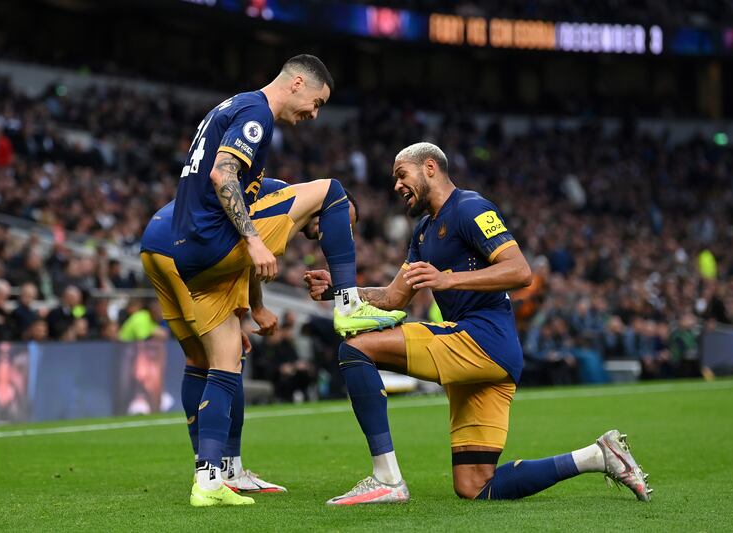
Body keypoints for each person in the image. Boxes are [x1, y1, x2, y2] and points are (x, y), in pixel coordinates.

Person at [304, 142, 652, 505]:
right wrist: (340, 290)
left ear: (430, 168)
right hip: (488, 359)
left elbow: (520, 271)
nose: (396, 186)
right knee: (474, 485)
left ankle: (387, 479)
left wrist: (447, 280)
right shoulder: (424, 231)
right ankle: (598, 455)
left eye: (401, 175)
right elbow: (394, 298)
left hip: (483, 339)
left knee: (356, 347)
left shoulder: (471, 208)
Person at [169, 54, 404, 507]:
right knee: (333, 190)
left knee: (224, 364)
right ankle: (350, 301)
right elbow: (222, 174)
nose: (314, 114)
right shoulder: (257, 112)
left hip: (189, 257)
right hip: (214, 240)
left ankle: (209, 481)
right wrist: (254, 241)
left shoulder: (228, 107)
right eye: (316, 102)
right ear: (297, 83)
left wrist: (254, 301)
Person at [142, 174, 362, 502]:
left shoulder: (273, 194)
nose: (338, 231)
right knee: (227, 358)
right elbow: (248, 244)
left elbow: (241, 249)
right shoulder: (288, 201)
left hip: (155, 241)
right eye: (343, 222)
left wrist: (254, 309)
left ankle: (212, 466)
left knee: (199, 359)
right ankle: (220, 471)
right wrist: (253, 309)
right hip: (184, 248)